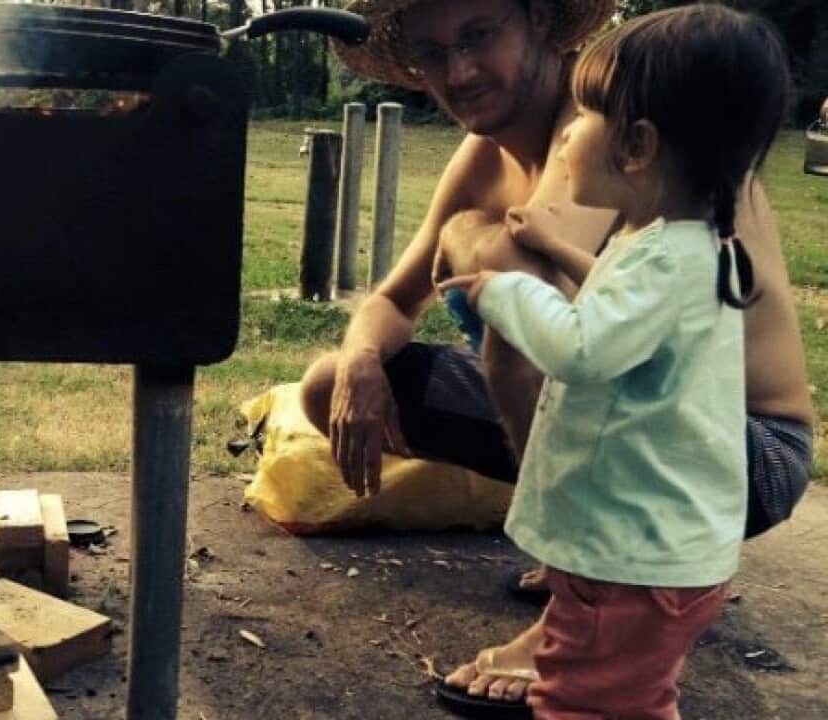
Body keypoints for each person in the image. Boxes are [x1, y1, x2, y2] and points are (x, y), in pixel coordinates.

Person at [299, 0, 814, 712]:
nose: (460, 71)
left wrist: (480, 256)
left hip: (738, 451)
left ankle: (577, 607)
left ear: (540, 21)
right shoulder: (490, 151)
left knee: (496, 250)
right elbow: (392, 301)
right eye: (433, 52)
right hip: (631, 417)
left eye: (479, 36)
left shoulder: (631, 125)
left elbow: (570, 339)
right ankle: (564, 534)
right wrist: (360, 364)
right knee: (332, 382)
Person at [432, 6, 787, 716]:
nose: (567, 136)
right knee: (632, 699)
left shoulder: (662, 259)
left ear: (638, 147)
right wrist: (563, 252)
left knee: (580, 703)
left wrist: (504, 293)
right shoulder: (685, 245)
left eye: (583, 120)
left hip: (636, 563)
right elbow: (632, 310)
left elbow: (582, 349)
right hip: (656, 551)